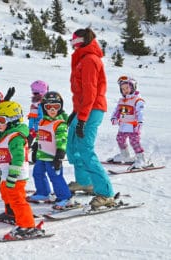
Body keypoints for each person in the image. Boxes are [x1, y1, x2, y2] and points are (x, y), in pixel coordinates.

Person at [66, 28, 116, 209]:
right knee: (72, 146)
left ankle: (106, 193)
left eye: (73, 41)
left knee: (86, 150)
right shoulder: (82, 59)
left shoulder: (89, 60)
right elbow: (80, 92)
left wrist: (83, 118)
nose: (71, 45)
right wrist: (75, 113)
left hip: (92, 109)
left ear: (80, 41)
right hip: (83, 109)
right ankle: (85, 182)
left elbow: (90, 92)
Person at [0, 101, 43, 239]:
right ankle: (11, 214)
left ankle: (27, 225)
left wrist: (13, 176)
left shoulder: (15, 138)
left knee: (17, 199)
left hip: (16, 176)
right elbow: (0, 158)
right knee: (6, 194)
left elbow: (18, 158)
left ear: (12, 120)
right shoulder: (4, 136)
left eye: (1, 120)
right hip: (6, 175)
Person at [27, 91, 73, 210]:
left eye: (56, 107)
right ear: (44, 108)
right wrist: (36, 146)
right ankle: (43, 192)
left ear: (60, 107)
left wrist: (59, 155)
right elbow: (40, 135)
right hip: (42, 156)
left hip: (53, 157)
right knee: (37, 173)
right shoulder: (42, 121)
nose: (52, 110)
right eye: (49, 107)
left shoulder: (60, 124)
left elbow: (62, 140)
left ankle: (65, 198)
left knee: (55, 177)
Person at [107, 76, 149, 170]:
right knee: (120, 139)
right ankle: (124, 155)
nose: (125, 90)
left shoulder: (137, 100)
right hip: (123, 126)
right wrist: (114, 117)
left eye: (127, 88)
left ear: (133, 87)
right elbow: (117, 111)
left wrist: (140, 122)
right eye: (123, 89)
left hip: (133, 126)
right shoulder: (121, 100)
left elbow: (140, 112)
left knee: (134, 142)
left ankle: (141, 159)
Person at [27, 80, 49, 163]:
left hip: (44, 129)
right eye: (33, 93)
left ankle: (37, 159)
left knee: (38, 144)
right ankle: (22, 157)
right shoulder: (34, 104)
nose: (34, 95)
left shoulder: (47, 104)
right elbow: (32, 117)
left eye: (36, 93)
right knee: (27, 141)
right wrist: (30, 128)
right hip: (35, 128)